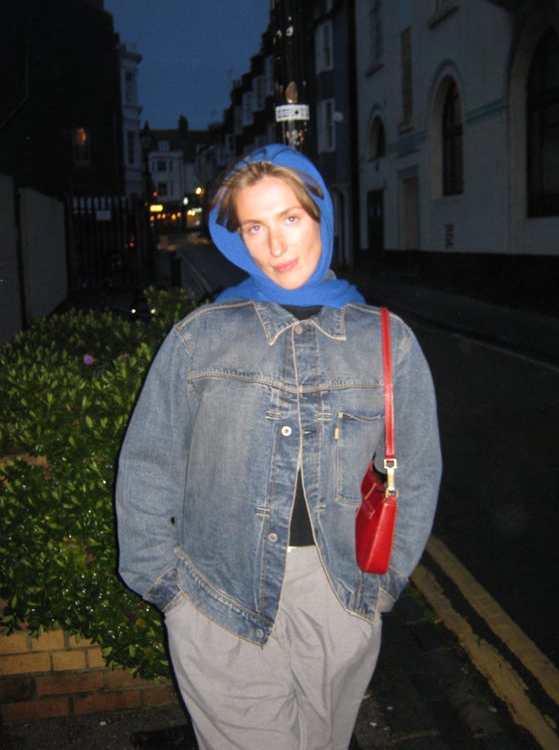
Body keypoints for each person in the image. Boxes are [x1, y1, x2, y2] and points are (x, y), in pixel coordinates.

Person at [116, 144, 442, 750]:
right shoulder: (201, 338)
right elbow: (147, 466)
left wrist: (384, 584)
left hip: (338, 595)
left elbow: (417, 473)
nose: (275, 244)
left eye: (290, 218)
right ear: (237, 237)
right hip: (219, 596)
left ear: (322, 217)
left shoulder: (386, 341)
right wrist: (168, 591)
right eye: (254, 227)